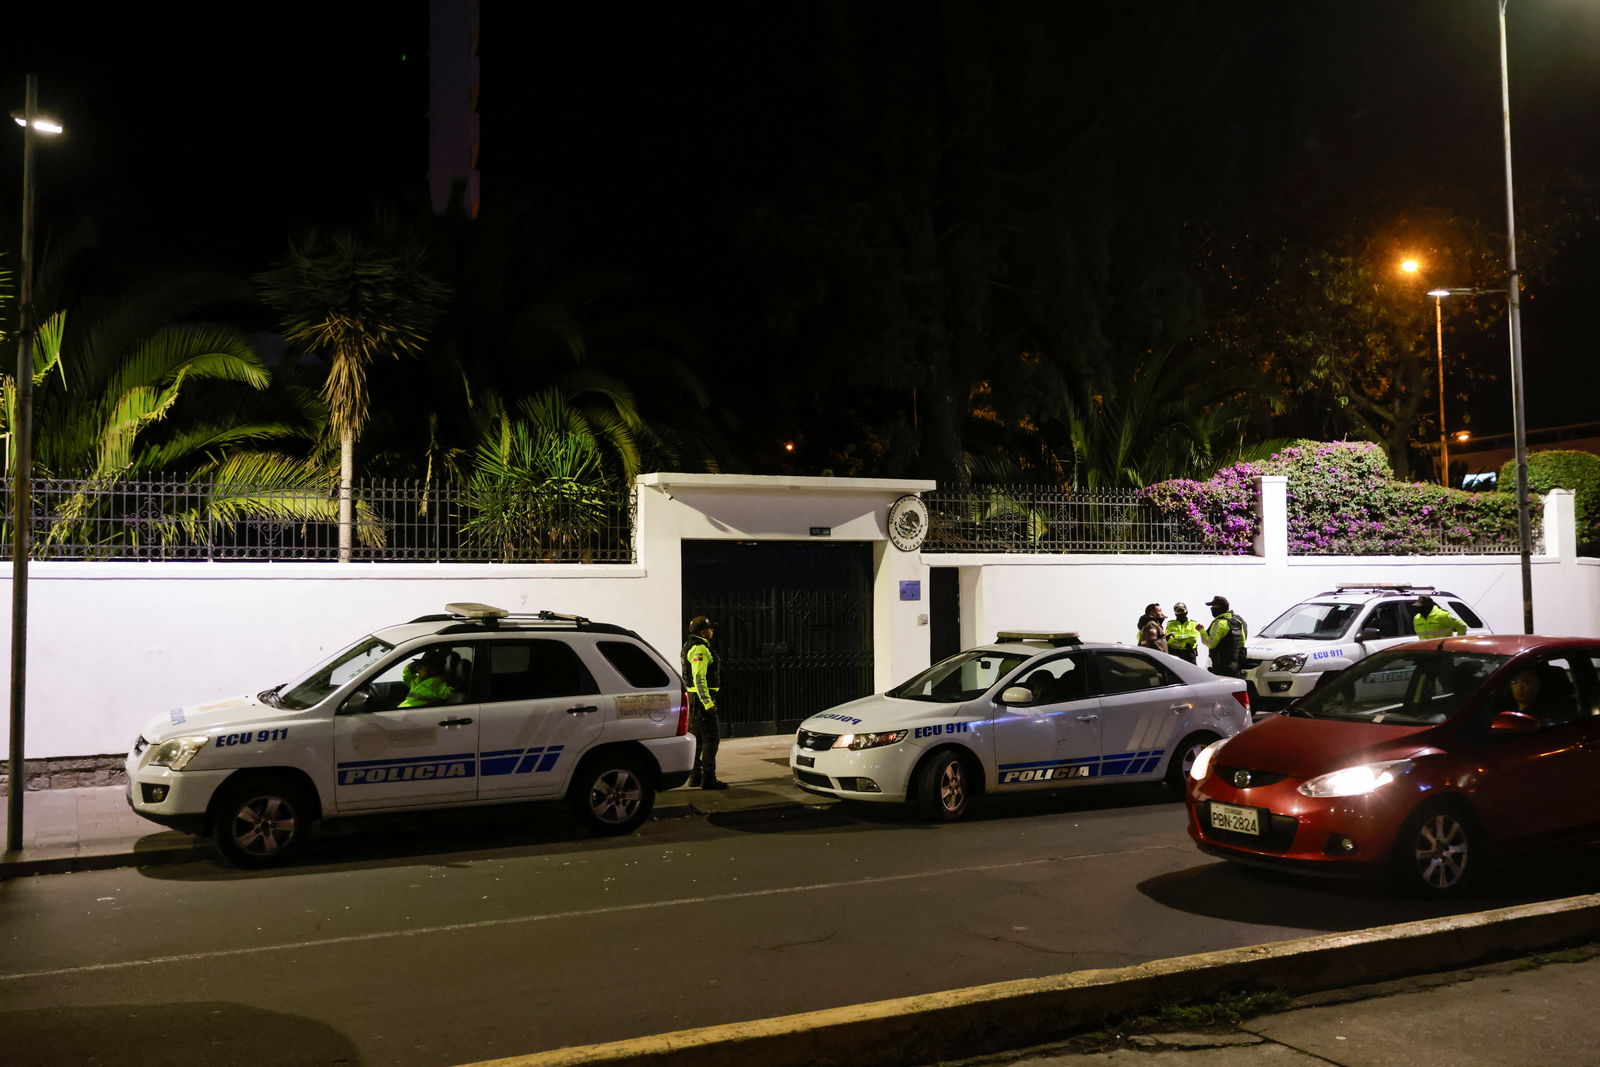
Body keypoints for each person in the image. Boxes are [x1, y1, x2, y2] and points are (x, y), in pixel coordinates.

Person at [681, 615, 728, 790]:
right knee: (712, 739)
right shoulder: (699, 649)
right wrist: (708, 703)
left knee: (698, 739)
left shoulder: (688, 645)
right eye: (710, 629)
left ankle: (695, 777)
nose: (712, 631)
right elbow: (699, 678)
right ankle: (709, 778)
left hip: (694, 700)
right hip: (701, 701)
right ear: (703, 632)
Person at [1201, 595, 1248, 677]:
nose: (1211, 608)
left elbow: (1210, 643)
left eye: (1213, 606)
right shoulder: (1237, 622)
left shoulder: (1219, 623)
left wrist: (1201, 630)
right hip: (1234, 666)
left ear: (1219, 608)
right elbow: (1242, 642)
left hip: (1221, 667)